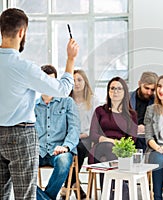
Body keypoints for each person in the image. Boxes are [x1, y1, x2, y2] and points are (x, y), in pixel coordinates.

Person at [0, 8, 78, 199]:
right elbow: (62, 89)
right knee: (25, 195)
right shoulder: (24, 67)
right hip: (21, 135)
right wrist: (70, 59)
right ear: (22, 32)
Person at [35, 65, 80, 200]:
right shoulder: (32, 104)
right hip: (38, 151)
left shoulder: (67, 102)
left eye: (51, 81)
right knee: (17, 168)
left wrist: (65, 147)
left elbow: (74, 128)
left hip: (60, 150)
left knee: (63, 161)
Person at [89, 76, 138, 199]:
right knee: (108, 147)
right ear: (108, 91)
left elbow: (132, 139)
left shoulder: (131, 114)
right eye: (112, 88)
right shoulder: (100, 111)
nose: (115, 91)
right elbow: (93, 134)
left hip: (121, 152)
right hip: (100, 147)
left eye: (119, 89)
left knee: (107, 159)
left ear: (125, 92)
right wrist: (111, 141)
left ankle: (108, 195)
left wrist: (119, 146)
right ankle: (123, 189)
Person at [61, 69, 100, 199]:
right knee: (68, 153)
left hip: (87, 138)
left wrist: (84, 134)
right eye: (73, 80)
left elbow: (97, 124)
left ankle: (66, 187)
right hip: (69, 138)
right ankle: (78, 189)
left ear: (85, 82)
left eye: (79, 80)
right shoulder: (66, 101)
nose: (76, 83)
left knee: (79, 148)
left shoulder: (93, 100)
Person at [130, 71, 158, 152]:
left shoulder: (157, 101)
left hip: (149, 139)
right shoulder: (127, 98)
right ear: (139, 84)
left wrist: (147, 129)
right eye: (146, 88)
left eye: (153, 90)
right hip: (129, 136)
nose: (149, 92)